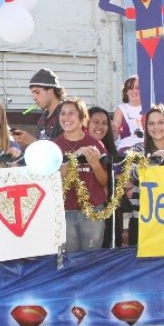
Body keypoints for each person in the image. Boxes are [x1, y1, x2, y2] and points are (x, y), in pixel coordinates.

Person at [55, 99, 108, 253]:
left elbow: (105, 181)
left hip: (93, 211)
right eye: (63, 113)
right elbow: (54, 180)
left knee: (90, 259)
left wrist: (95, 164)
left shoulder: (95, 144)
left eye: (71, 113)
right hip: (64, 212)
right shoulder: (55, 146)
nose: (66, 117)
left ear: (82, 118)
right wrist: (74, 159)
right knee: (68, 261)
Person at [126, 105, 164, 246]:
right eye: (151, 123)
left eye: (161, 122)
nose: (156, 127)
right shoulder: (137, 150)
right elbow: (134, 175)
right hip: (142, 221)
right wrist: (151, 159)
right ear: (146, 127)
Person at [88, 107, 124, 248]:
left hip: (111, 210)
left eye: (104, 123)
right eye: (95, 122)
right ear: (86, 123)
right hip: (88, 211)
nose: (100, 126)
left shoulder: (112, 151)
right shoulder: (79, 149)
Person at [11, 68, 65, 148]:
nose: (34, 98)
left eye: (37, 92)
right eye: (33, 93)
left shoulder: (66, 115)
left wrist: (33, 141)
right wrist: (25, 142)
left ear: (50, 90)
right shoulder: (43, 118)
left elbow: (66, 149)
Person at [112, 76, 146, 154]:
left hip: (148, 147)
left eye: (137, 88)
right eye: (130, 88)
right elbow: (114, 134)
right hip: (127, 148)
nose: (134, 91)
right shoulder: (121, 109)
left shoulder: (151, 107)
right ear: (126, 92)